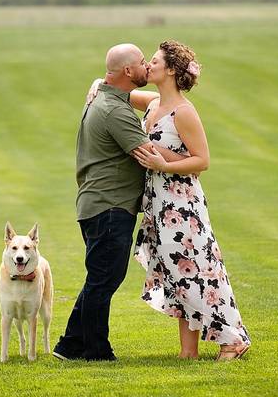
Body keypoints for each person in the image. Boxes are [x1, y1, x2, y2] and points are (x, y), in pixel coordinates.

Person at [97, 40, 251, 360]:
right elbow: (118, 92)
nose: (148, 65)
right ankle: (188, 352)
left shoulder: (184, 112)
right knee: (177, 274)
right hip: (158, 204)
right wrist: (97, 84)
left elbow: (202, 161)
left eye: (153, 61)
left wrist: (165, 165)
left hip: (182, 207)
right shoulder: (153, 103)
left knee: (197, 272)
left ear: (168, 70)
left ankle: (232, 340)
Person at [53, 43, 183, 362]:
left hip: (100, 205)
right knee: (104, 278)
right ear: (128, 71)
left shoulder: (110, 97)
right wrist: (192, 158)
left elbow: (158, 101)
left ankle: (70, 344)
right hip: (108, 206)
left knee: (102, 276)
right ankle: (97, 351)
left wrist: (98, 80)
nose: (146, 67)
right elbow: (147, 155)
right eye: (142, 63)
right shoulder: (115, 110)